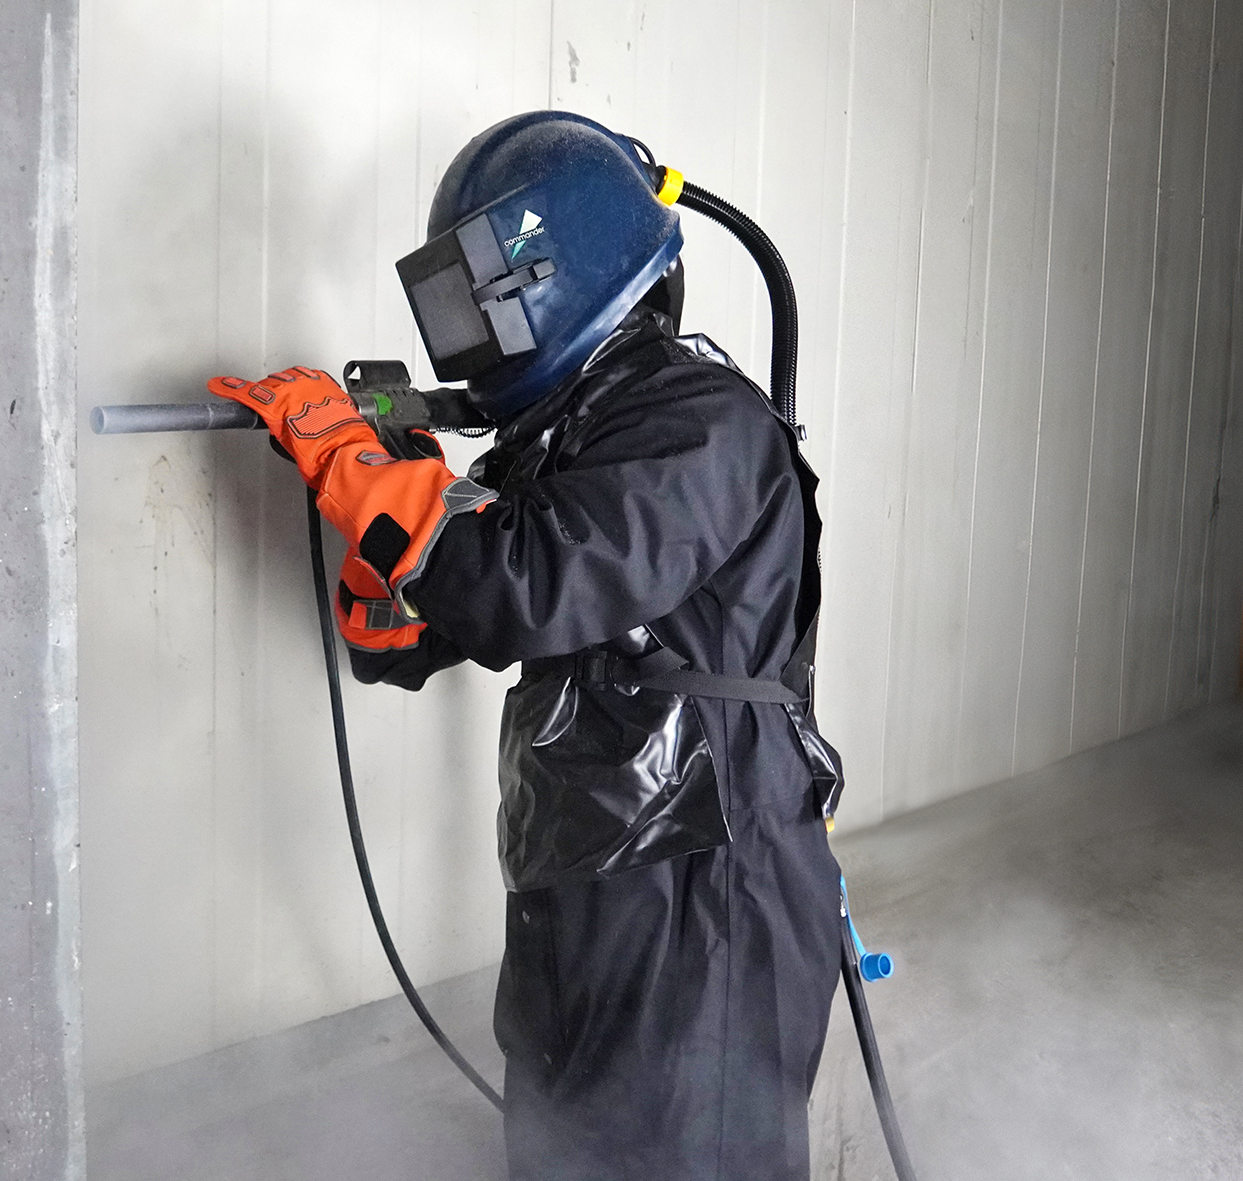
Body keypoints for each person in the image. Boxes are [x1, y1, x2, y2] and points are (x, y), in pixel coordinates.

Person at [208, 110, 846, 1181]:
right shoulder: (565, 439)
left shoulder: (698, 421)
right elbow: (402, 641)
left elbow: (526, 585)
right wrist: (388, 497)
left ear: (559, 271)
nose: (465, 335)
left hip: (706, 883)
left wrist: (369, 478)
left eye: (477, 298)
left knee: (681, 1145)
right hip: (586, 866)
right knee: (565, 1130)